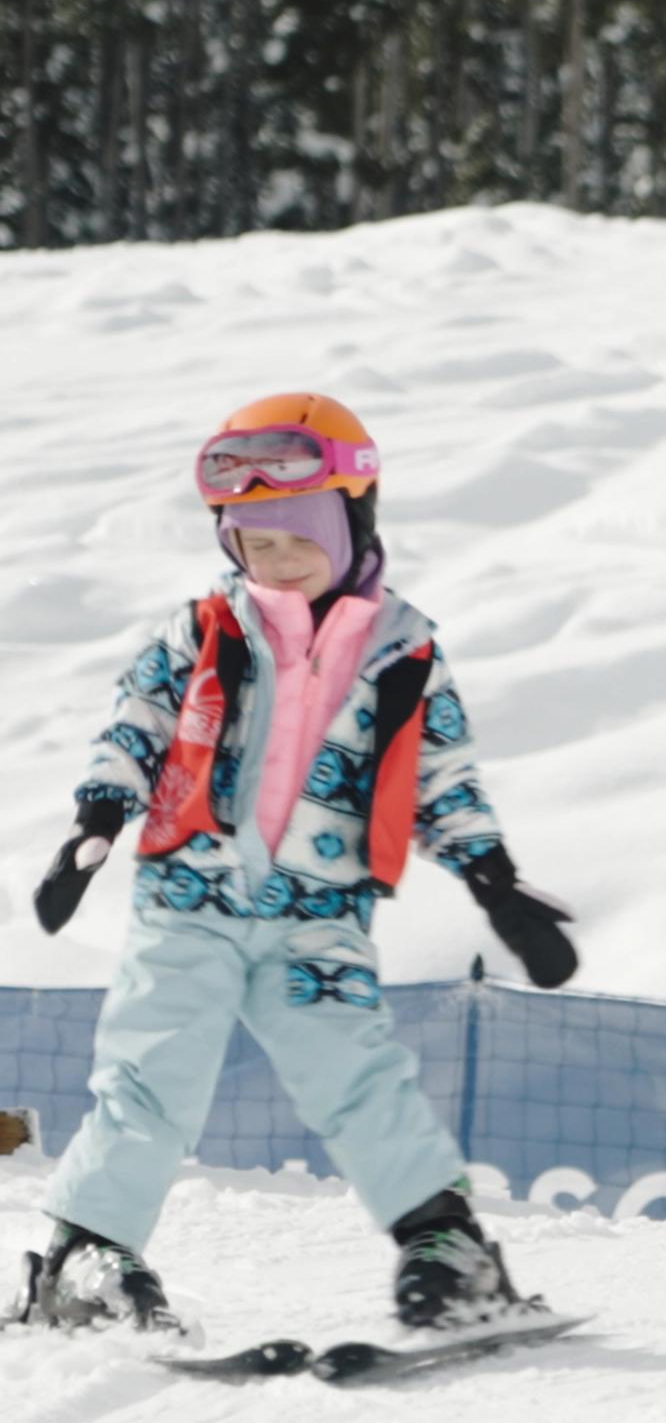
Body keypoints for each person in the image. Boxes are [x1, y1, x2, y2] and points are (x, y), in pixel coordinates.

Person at [16, 392, 578, 1331]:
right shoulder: (201, 629)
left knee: (357, 1073)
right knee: (153, 1070)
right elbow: (137, 726)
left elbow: (441, 780)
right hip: (189, 896)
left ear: (353, 523)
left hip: (319, 913)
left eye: (297, 539)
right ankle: (87, 1252)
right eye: (253, 542)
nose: (274, 563)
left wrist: (495, 882)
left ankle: (446, 1245)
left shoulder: (403, 653)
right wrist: (95, 822)